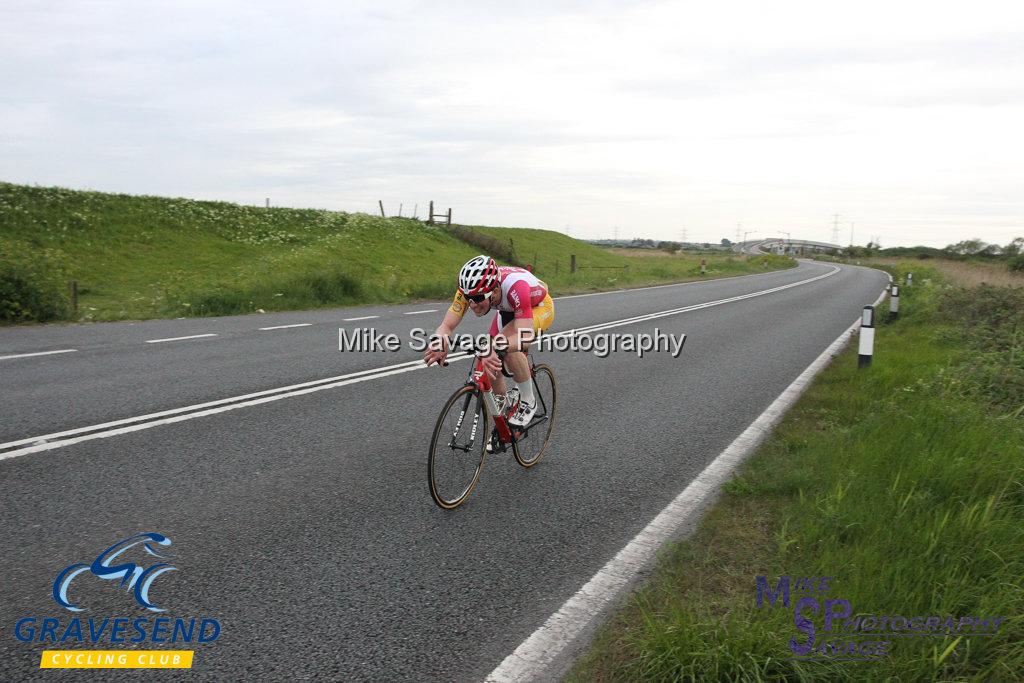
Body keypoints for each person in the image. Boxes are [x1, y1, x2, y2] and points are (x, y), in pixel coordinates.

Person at [423, 255, 555, 427]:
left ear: (494, 291)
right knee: (488, 351)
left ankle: (528, 402)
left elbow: (525, 336)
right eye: (468, 299)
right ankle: (503, 411)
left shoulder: (517, 288)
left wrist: (497, 345)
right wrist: (439, 341)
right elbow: (446, 325)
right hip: (507, 306)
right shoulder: (471, 289)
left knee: (502, 345)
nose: (472, 305)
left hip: (538, 307)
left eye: (477, 299)